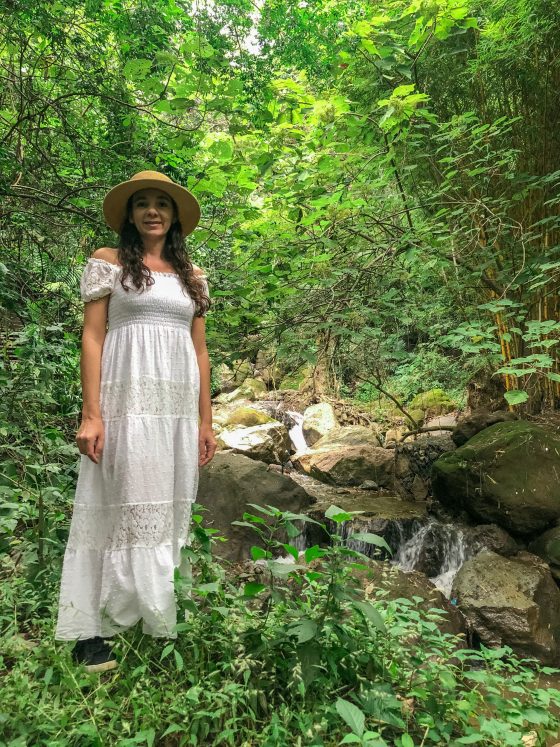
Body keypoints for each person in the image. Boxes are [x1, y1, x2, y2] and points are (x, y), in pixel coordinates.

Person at [54, 170, 218, 672]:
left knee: (165, 504)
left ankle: (154, 615)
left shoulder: (193, 276)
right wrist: (92, 414)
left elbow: (200, 350)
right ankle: (93, 628)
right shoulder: (109, 262)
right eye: (142, 203)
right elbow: (93, 336)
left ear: (174, 216)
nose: (152, 211)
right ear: (129, 214)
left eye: (161, 204)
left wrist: (206, 422)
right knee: (116, 498)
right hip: (125, 403)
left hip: (174, 409)